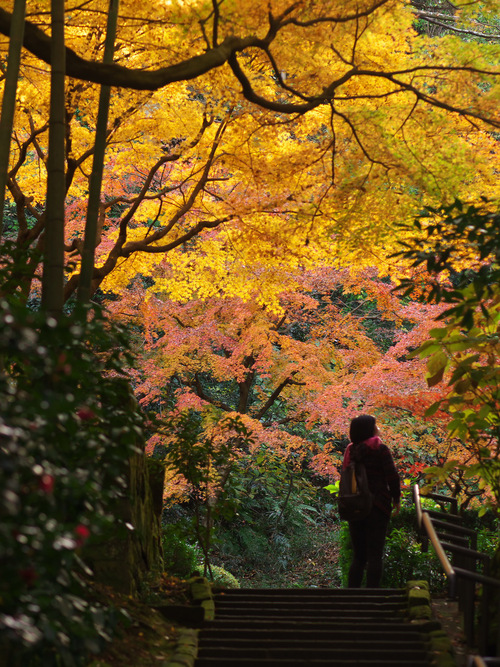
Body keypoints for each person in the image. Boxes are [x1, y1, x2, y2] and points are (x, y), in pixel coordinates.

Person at [343, 414, 401, 588]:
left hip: (355, 506)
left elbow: (345, 476)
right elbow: (392, 476)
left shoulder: (350, 451)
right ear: (370, 429)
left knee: (359, 556)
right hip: (377, 506)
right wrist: (396, 499)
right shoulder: (380, 449)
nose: (378, 428)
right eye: (376, 425)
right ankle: (371, 595)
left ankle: (351, 597)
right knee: (375, 555)